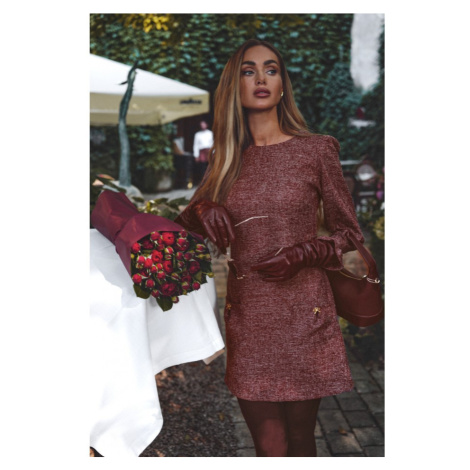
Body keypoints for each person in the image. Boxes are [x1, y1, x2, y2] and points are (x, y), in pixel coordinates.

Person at [175, 39, 365, 457]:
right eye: (249, 70)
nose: (261, 78)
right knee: (269, 448)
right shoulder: (226, 158)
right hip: (249, 317)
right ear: (235, 86)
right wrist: (203, 207)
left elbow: (350, 234)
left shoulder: (315, 150)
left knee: (300, 441)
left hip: (304, 313)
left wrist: (304, 254)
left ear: (282, 86)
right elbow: (182, 226)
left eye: (271, 69)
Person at [192, 120, 213, 185]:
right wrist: (196, 155)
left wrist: (213, 152)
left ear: (206, 125)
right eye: (201, 125)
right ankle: (203, 181)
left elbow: (212, 143)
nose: (203, 126)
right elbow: (196, 145)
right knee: (202, 166)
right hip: (202, 151)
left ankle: (210, 180)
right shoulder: (198, 134)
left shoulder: (210, 133)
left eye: (204, 124)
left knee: (210, 166)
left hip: (209, 151)